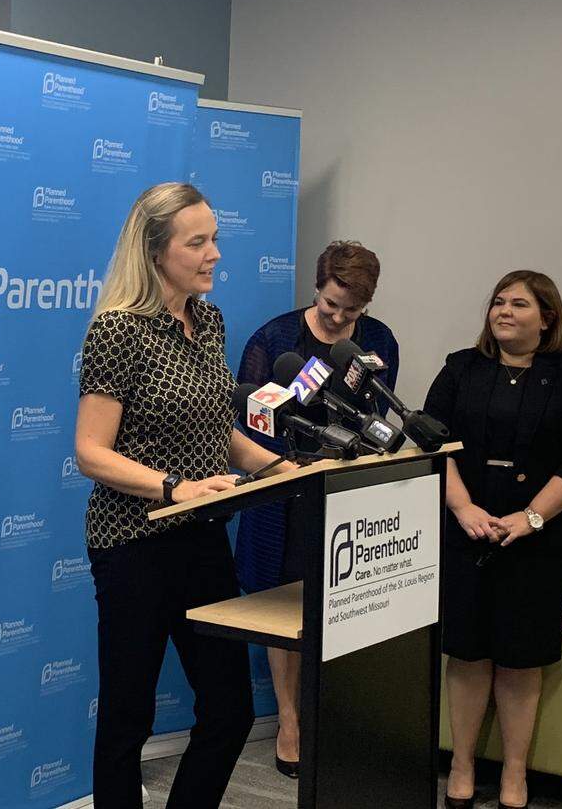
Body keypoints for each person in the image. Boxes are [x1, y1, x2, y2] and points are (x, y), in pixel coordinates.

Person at [75, 182, 296, 808]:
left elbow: (216, 431)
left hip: (201, 541)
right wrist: (173, 487)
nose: (214, 254)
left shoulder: (210, 321)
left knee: (228, 711)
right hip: (133, 545)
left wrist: (283, 468)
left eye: (215, 239)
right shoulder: (119, 330)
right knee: (127, 720)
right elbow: (91, 451)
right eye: (197, 242)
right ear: (154, 252)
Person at [423, 271, 562, 809]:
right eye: (498, 302)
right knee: (468, 653)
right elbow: (435, 443)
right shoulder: (462, 367)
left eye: (519, 304)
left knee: (521, 658)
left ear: (546, 318)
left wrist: (530, 518)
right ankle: (460, 767)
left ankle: (514, 775)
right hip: (466, 531)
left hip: (539, 539)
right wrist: (461, 507)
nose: (503, 311)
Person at [234, 240, 399, 777]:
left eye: (350, 310)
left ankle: (334, 718)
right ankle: (289, 719)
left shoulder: (378, 342)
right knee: (284, 606)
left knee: (343, 605)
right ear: (317, 287)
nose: (337, 317)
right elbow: (248, 423)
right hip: (283, 492)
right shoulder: (275, 338)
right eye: (330, 304)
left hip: (348, 492)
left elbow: (375, 417)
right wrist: (285, 466)